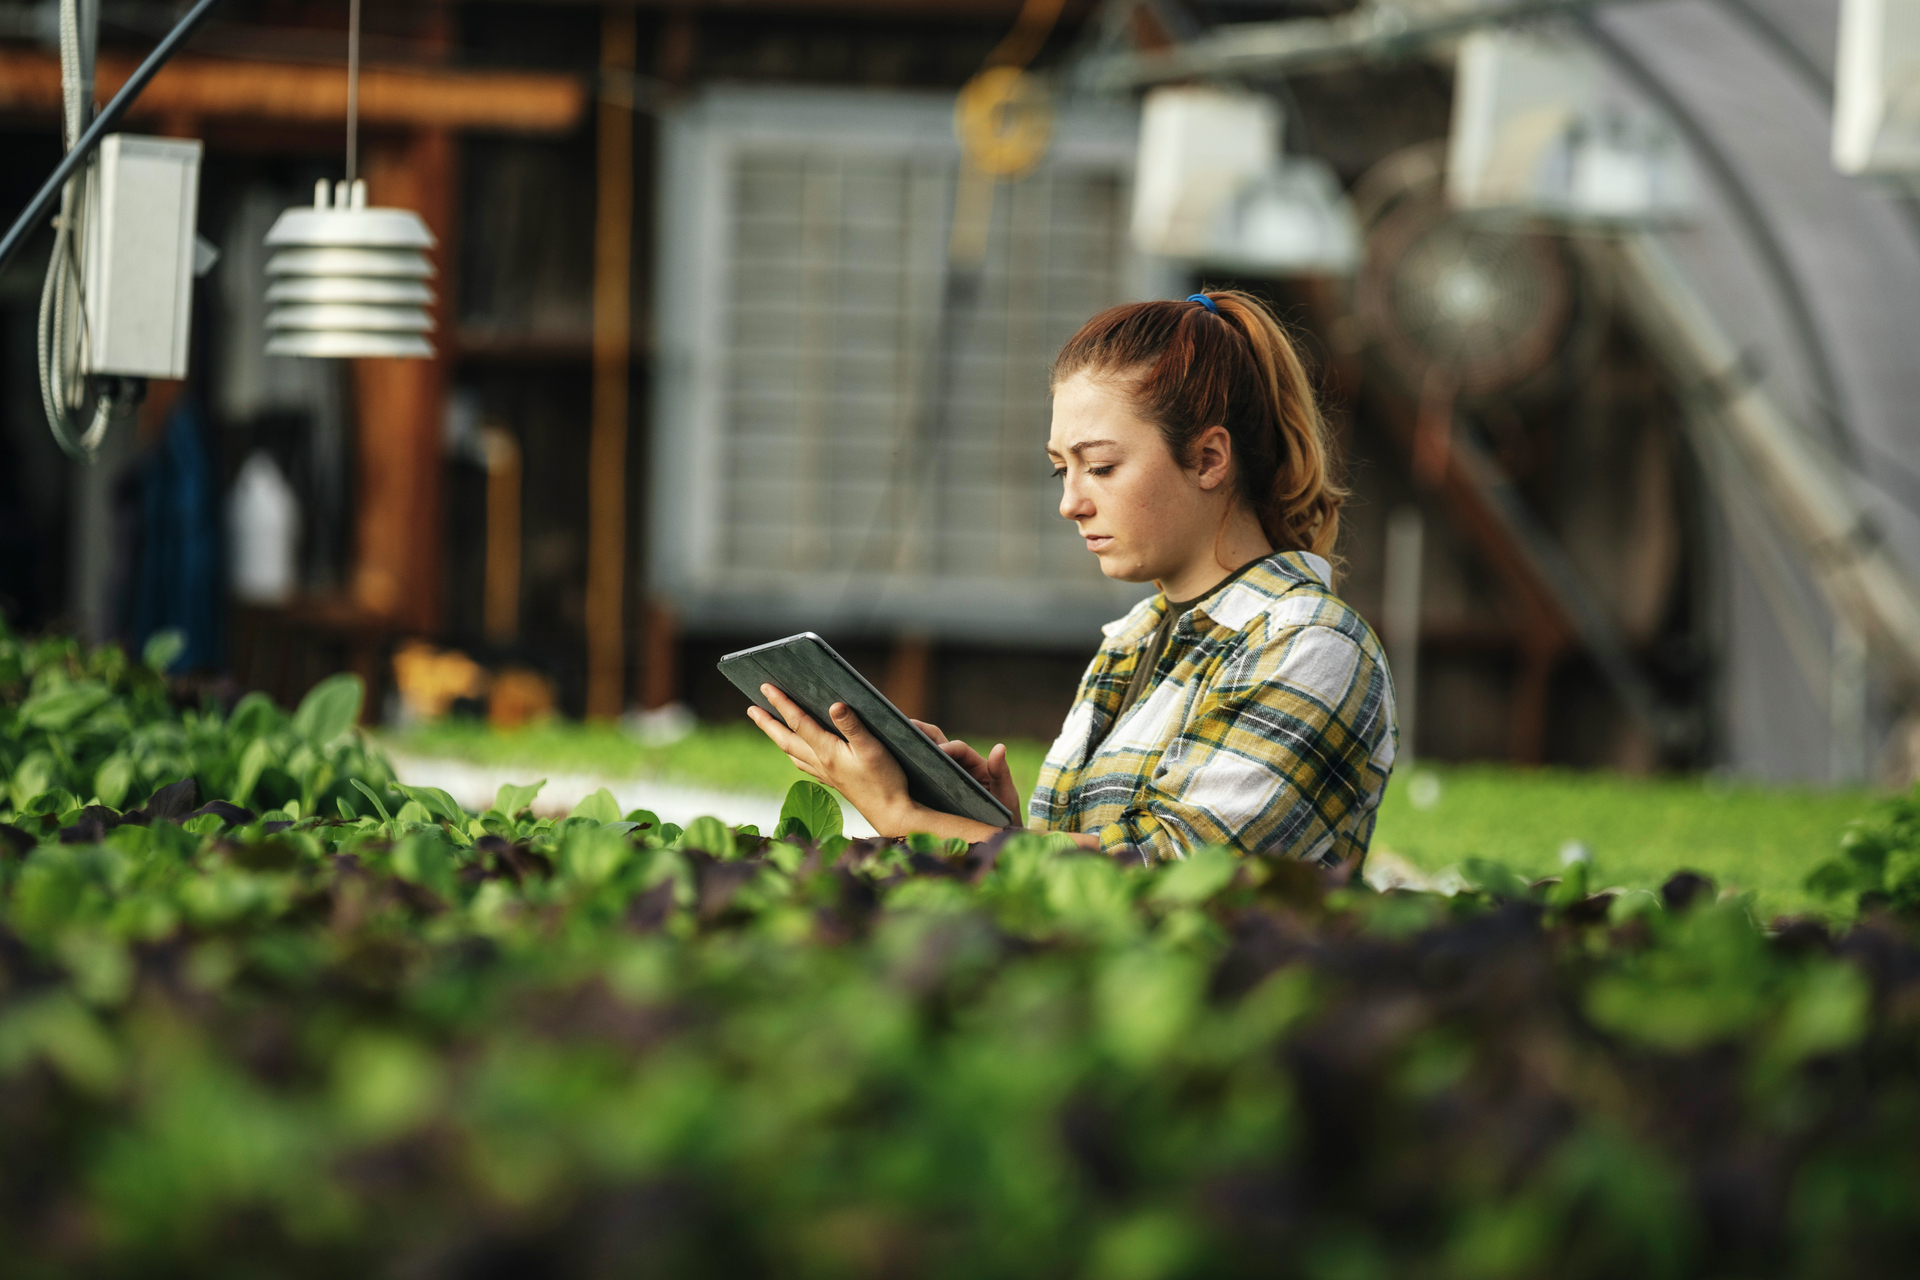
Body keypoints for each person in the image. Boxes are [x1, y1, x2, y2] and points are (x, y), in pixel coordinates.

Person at [748, 290, 1398, 866]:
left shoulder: (1311, 645)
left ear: (1208, 458)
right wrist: (992, 825)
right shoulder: (1133, 641)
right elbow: (1081, 883)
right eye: (1063, 469)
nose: (1071, 503)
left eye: (1102, 467)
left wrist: (910, 822)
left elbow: (1174, 876)